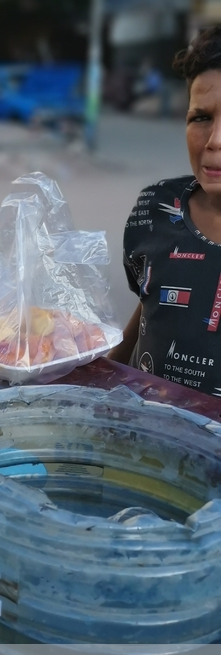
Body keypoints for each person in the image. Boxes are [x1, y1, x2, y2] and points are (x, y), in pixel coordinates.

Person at [113, 26, 221, 393]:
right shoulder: (155, 208)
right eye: (201, 118)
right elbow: (153, 301)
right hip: (148, 442)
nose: (215, 141)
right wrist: (97, 380)